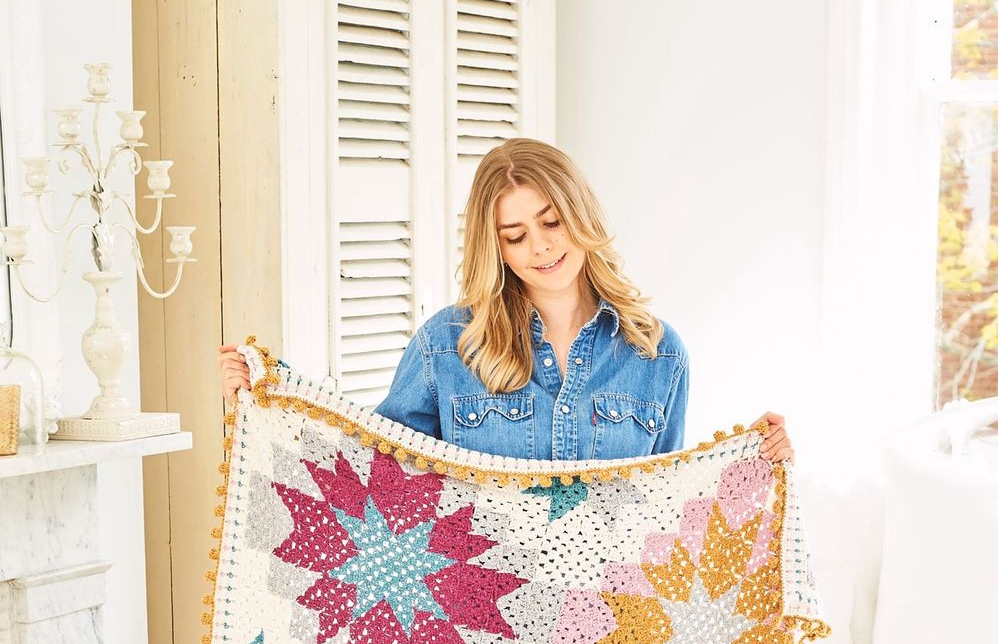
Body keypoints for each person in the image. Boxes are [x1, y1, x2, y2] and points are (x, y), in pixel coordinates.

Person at [219, 137, 794, 467]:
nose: (540, 247)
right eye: (515, 236)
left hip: (612, 629)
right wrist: (273, 393)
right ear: (494, 248)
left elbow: (669, 508)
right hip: (479, 631)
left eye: (552, 222)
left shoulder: (659, 354)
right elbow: (375, 463)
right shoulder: (448, 345)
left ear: (581, 216)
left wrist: (758, 463)